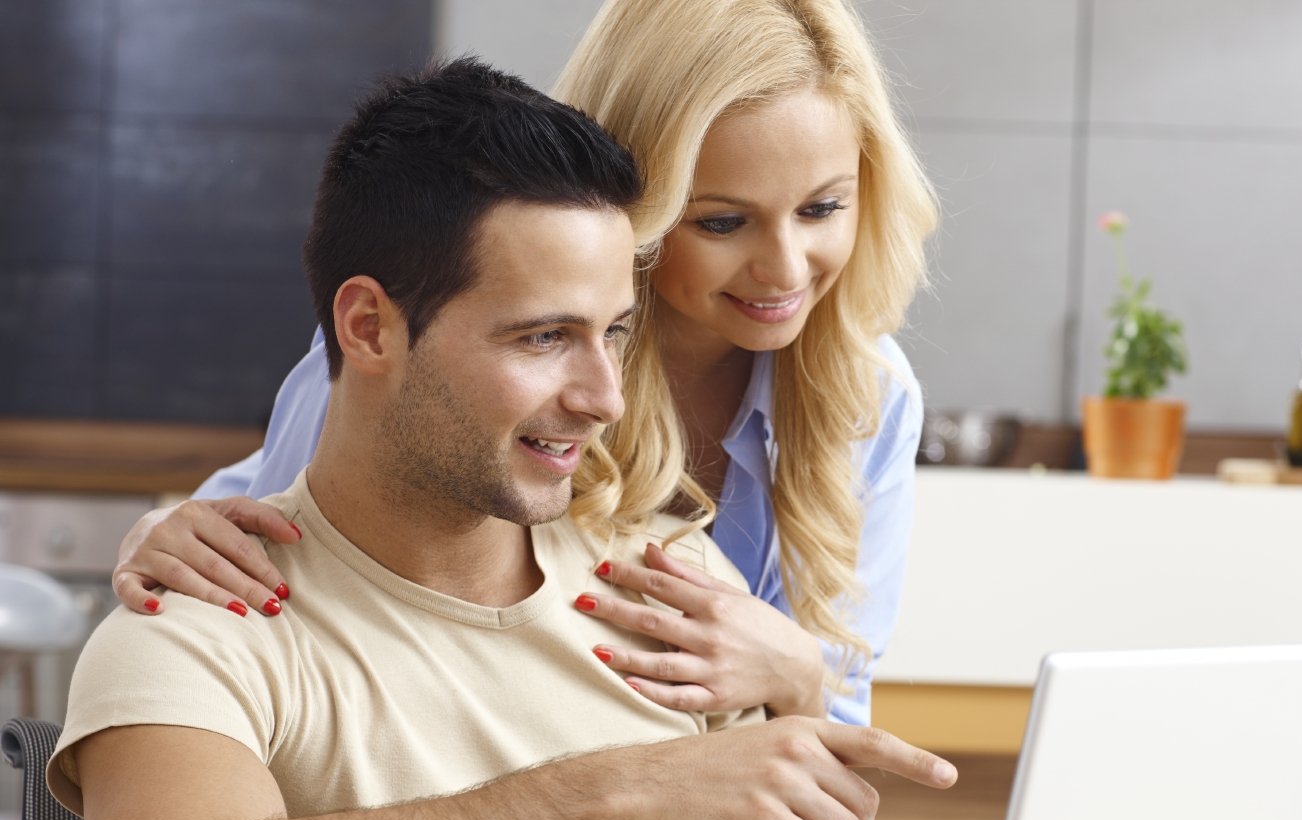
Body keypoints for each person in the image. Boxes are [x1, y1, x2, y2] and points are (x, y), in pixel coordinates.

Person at [50, 58, 955, 820]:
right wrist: (613, 792)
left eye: (615, 332)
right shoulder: (194, 621)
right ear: (369, 328)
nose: (605, 395)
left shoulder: (676, 595)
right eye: (540, 338)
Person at [111, 0, 938, 729]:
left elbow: (834, 755)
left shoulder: (869, 397)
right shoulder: (441, 352)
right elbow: (290, 553)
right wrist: (165, 538)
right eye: (722, 223)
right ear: (629, 209)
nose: (786, 270)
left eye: (823, 208)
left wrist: (798, 671)